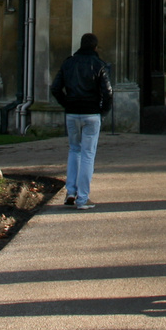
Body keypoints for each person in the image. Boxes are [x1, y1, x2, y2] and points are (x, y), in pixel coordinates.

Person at [50, 32, 112, 209]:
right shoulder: (99, 65)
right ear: (95, 47)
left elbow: (55, 89)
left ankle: (71, 192)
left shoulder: (68, 63)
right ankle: (83, 198)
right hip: (91, 113)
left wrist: (67, 104)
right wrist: (102, 111)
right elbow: (108, 93)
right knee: (87, 154)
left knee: (74, 151)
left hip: (72, 113)